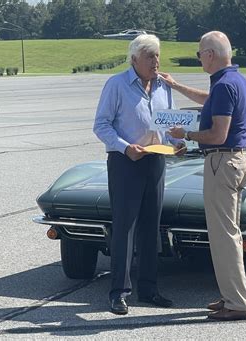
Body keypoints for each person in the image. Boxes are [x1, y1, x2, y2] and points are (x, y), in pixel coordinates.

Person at [161, 31, 246, 321]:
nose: (200, 58)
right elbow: (209, 100)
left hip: (222, 161)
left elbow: (217, 133)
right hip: (234, 160)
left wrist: (185, 134)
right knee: (230, 234)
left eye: (201, 54)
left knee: (223, 236)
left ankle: (237, 304)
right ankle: (232, 296)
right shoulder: (233, 80)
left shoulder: (225, 85)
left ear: (210, 54)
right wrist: (175, 85)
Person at [93, 34, 184, 315]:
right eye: (150, 57)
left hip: (156, 161)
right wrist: (124, 147)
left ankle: (149, 288)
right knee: (125, 228)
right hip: (126, 163)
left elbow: (169, 123)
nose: (156, 62)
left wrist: (177, 143)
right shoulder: (117, 85)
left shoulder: (162, 87)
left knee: (150, 227)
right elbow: (101, 125)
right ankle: (119, 292)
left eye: (157, 56)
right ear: (134, 59)